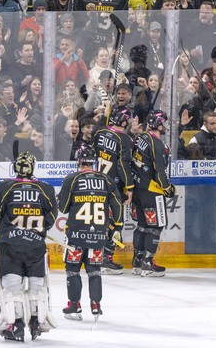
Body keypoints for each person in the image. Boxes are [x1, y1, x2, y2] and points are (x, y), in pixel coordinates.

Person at [0, 151, 58, 342]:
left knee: (12, 286)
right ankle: (36, 322)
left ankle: (15, 325)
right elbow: (51, 218)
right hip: (35, 246)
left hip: (10, 246)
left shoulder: (3, 187)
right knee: (36, 285)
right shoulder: (46, 188)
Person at [58, 142, 123, 322]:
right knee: (94, 270)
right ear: (94, 162)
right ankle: (95, 304)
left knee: (72, 269)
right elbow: (117, 204)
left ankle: (74, 305)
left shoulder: (72, 179)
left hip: (76, 235)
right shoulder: (106, 180)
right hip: (98, 236)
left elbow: (62, 208)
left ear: (79, 161)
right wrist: (117, 226)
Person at [130, 109, 174, 277]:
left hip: (137, 190)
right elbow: (161, 172)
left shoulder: (140, 138)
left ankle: (137, 261)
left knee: (142, 225)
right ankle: (148, 263)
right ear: (159, 125)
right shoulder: (158, 144)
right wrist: (167, 188)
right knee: (156, 226)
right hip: (152, 191)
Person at [92, 104, 135, 274]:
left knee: (100, 222)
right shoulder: (123, 139)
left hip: (97, 184)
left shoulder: (99, 132)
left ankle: (96, 256)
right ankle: (106, 258)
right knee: (115, 222)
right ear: (124, 121)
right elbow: (123, 164)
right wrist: (129, 187)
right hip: (113, 187)